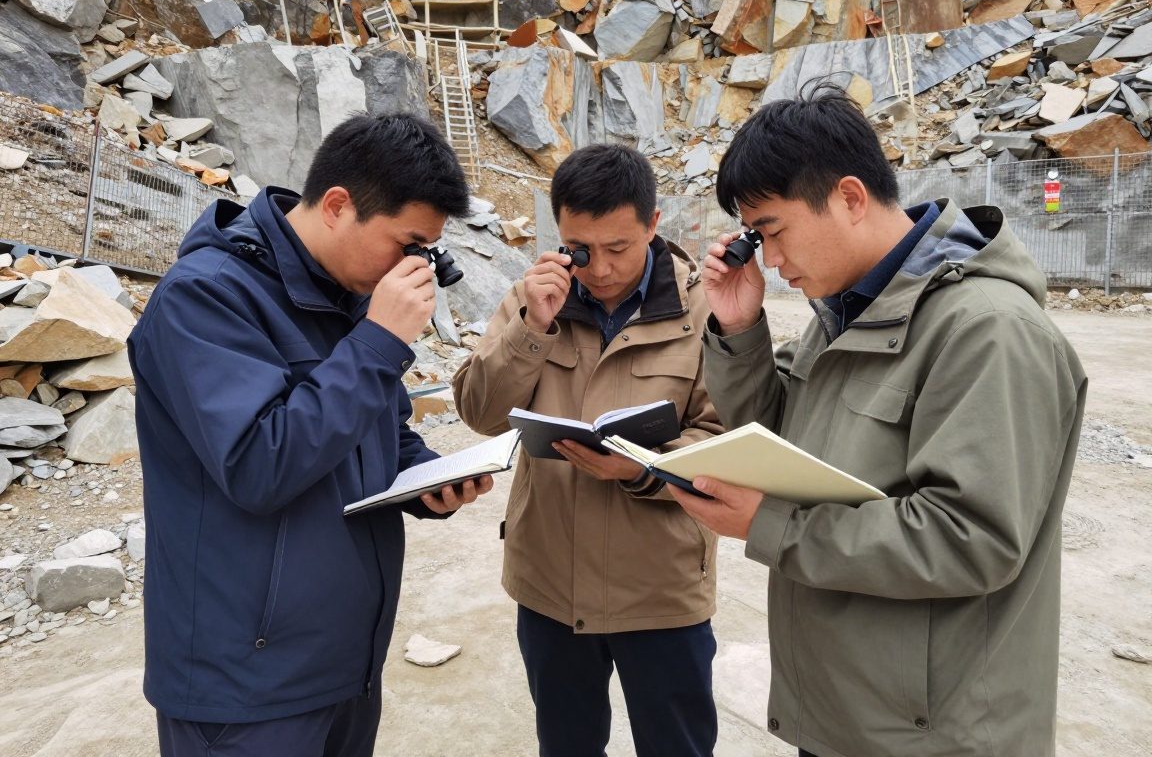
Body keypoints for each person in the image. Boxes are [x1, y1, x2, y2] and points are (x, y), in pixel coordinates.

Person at [671, 86, 1087, 757]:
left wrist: (767, 523)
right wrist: (741, 328)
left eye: (773, 231)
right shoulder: (852, 309)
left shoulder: (987, 330)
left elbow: (971, 537)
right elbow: (778, 445)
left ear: (850, 198)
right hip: (849, 714)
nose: (770, 262)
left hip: (931, 735)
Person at [128, 113, 493, 757]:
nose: (416, 268)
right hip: (248, 687)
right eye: (407, 244)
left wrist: (425, 479)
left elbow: (377, 432)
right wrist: (380, 340)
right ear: (337, 205)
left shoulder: (347, 292)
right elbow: (259, 464)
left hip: (344, 665)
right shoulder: (205, 297)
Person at [453, 144, 724, 757]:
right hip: (550, 584)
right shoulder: (533, 298)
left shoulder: (704, 308)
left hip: (660, 591)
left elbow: (726, 438)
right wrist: (532, 329)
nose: (598, 268)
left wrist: (645, 467)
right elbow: (478, 412)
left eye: (618, 248)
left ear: (654, 224)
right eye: (581, 248)